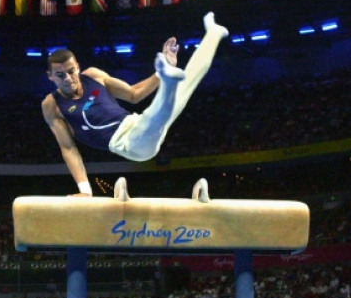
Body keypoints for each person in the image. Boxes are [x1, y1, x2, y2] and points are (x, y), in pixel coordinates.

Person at [42, 12, 228, 195]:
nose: (67, 78)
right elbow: (68, 148)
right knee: (154, 116)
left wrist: (158, 74)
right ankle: (168, 80)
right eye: (60, 75)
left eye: (71, 71)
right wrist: (85, 191)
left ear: (78, 67)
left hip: (136, 123)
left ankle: (213, 34)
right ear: (50, 76)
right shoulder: (52, 105)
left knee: (186, 86)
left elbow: (134, 94)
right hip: (129, 144)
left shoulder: (93, 76)